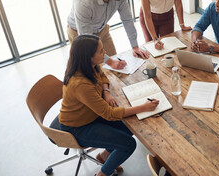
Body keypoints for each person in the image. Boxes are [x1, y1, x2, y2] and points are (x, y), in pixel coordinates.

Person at [58, 35, 159, 176]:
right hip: (77, 127)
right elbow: (109, 114)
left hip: (90, 115)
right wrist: (143, 107)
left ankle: (104, 156)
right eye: (100, 51)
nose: (105, 53)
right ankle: (103, 174)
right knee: (129, 144)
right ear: (88, 56)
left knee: (130, 125)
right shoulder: (80, 84)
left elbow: (102, 75)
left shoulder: (88, 66)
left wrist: (106, 91)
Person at [67, 0, 149, 70]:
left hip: (102, 29)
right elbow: (87, 39)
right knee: (92, 69)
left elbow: (127, 20)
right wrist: (110, 62)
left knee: (115, 64)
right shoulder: (83, 2)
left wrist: (135, 46)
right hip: (80, 34)